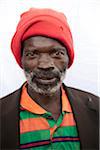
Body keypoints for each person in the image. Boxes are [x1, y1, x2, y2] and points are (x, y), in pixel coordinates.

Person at [0, 8, 99, 150]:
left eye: (57, 53)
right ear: (21, 59)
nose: (45, 65)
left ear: (68, 58)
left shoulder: (96, 109)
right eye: (32, 54)